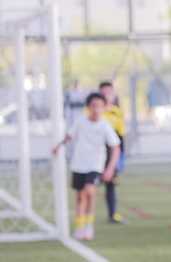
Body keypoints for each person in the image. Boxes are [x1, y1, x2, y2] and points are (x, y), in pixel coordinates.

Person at [52, 92, 120, 241]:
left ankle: (89, 226)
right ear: (88, 107)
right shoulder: (81, 121)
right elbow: (69, 136)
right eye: (93, 106)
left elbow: (115, 148)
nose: (96, 109)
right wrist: (57, 146)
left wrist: (110, 168)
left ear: (103, 108)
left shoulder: (105, 126)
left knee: (90, 191)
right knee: (80, 196)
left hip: (95, 164)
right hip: (79, 163)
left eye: (99, 106)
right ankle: (79, 226)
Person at [98, 81, 127, 224]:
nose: (107, 95)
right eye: (104, 93)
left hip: (111, 152)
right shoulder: (92, 111)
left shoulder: (117, 112)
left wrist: (122, 154)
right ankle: (84, 218)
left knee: (111, 183)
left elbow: (120, 134)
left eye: (109, 92)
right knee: (89, 187)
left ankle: (112, 214)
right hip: (95, 152)